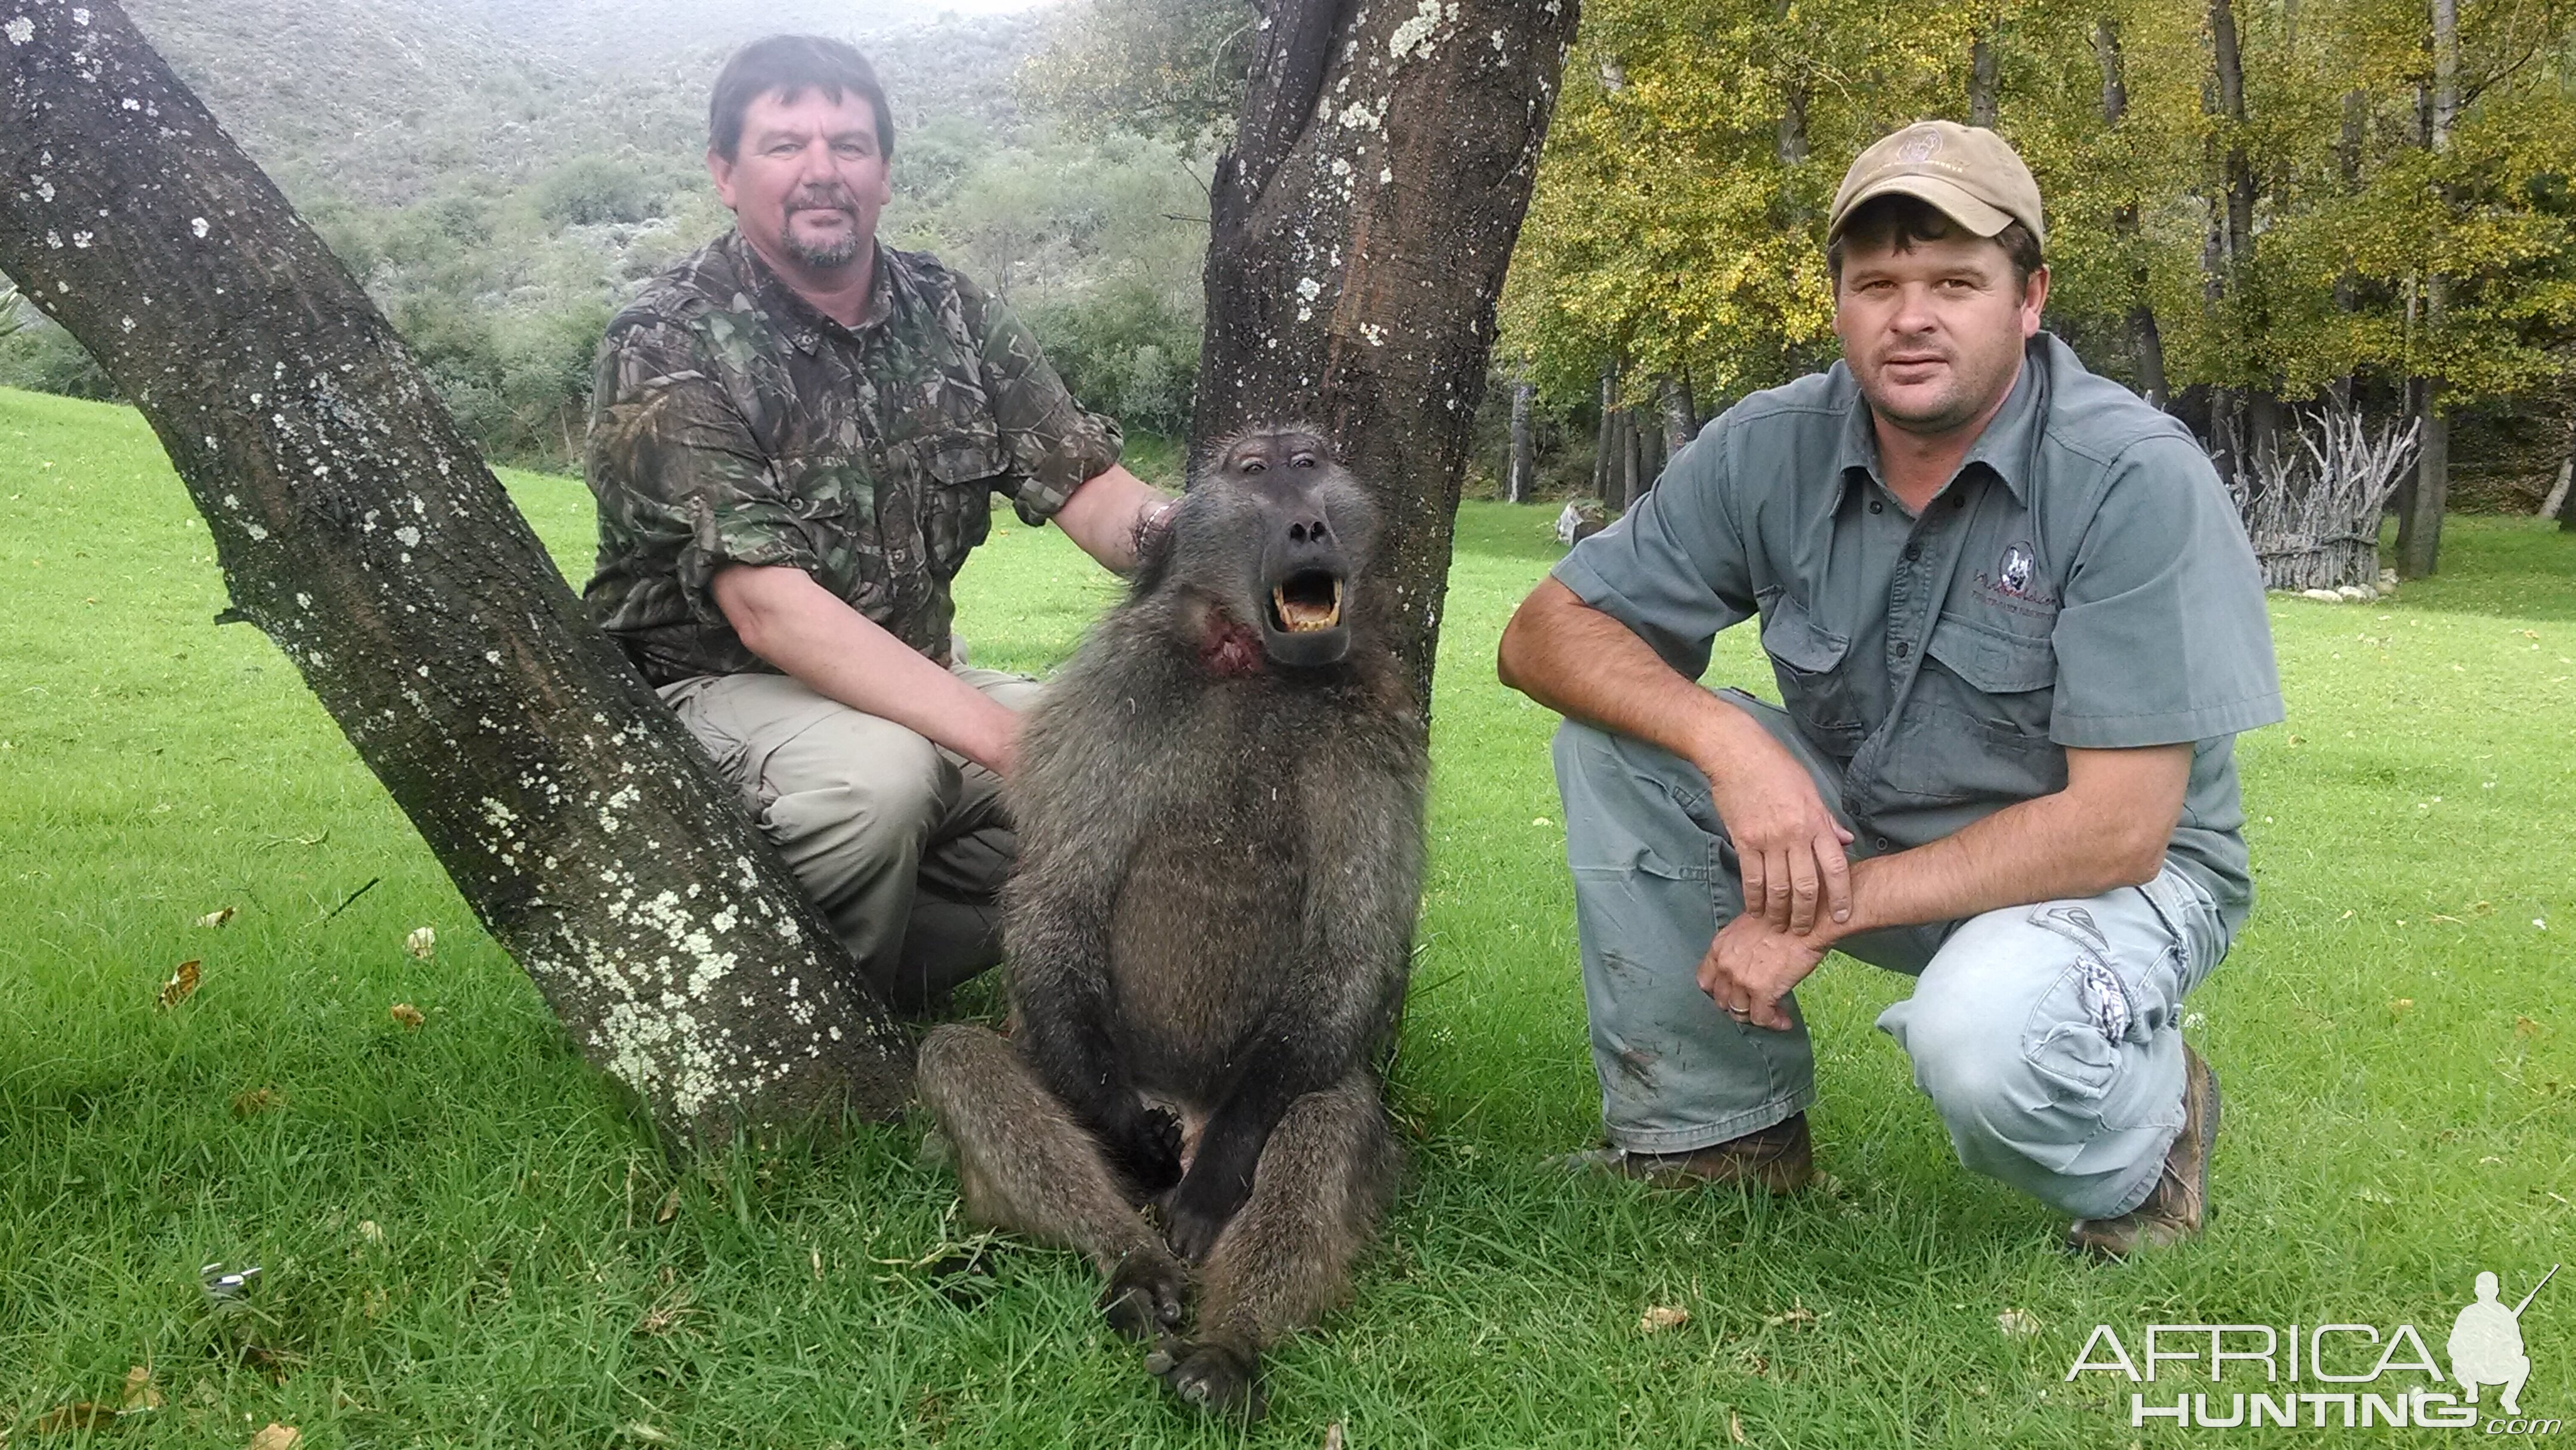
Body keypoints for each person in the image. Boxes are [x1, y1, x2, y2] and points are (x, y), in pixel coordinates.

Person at [1496, 121, 2282, 1257]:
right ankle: (1715, 1140)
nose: (1911, 316)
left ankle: (2150, 1140)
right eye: (1878, 283)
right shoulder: (1771, 444)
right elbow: (1542, 637)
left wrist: (1817, 916)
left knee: (1985, 1034)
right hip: (1875, 827)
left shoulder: (2133, 477)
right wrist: (1733, 744)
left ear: (2030, 297)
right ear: (1838, 303)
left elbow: (2120, 829)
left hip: (2117, 880)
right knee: (1622, 737)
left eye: (1956, 281)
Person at [583, 35, 1169, 1011]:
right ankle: (784, 1041)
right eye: (785, 145)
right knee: (881, 781)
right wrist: (1009, 746)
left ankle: (869, 986)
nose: (822, 171)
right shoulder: (666, 339)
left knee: (1140, 772)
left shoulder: (948, 309)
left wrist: (1234, 542)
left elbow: (1093, 491)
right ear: (725, 173)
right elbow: (770, 612)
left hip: (909, 673)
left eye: (849, 145)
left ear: (885, 174)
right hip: (712, 690)